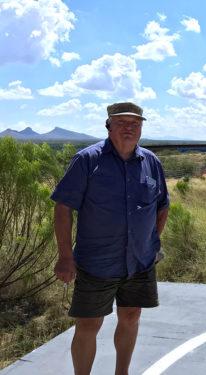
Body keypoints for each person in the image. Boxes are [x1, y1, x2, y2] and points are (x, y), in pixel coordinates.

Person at [51, 102, 169, 375]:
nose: (129, 128)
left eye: (135, 124)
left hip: (139, 262)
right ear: (108, 125)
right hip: (96, 262)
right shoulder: (87, 160)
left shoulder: (151, 162)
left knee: (130, 316)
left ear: (141, 128)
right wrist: (66, 257)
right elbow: (63, 207)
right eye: (122, 123)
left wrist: (151, 243)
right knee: (89, 324)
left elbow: (162, 206)